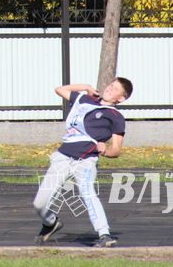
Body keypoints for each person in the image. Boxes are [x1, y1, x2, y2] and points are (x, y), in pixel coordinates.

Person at [33, 77, 133, 248]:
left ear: (121, 99)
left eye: (115, 89)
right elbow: (59, 89)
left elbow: (116, 150)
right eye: (110, 85)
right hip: (63, 157)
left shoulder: (116, 117)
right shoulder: (85, 99)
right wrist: (85, 87)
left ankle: (104, 234)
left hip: (85, 161)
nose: (110, 89)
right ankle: (51, 223)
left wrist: (105, 150)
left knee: (88, 193)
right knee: (39, 203)